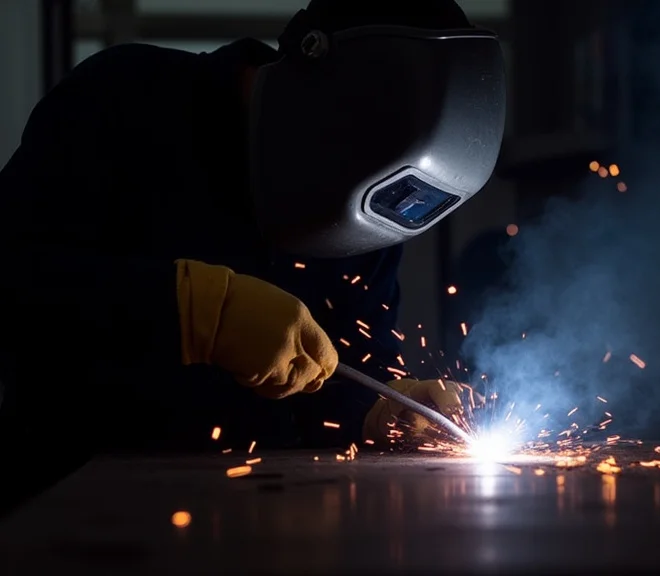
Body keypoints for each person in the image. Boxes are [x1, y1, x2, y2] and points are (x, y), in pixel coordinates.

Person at [0, 0, 505, 513]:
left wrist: (379, 409)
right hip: (71, 511)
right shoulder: (125, 98)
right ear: (320, 92)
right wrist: (184, 309)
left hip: (270, 524)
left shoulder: (378, 197)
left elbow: (340, 378)